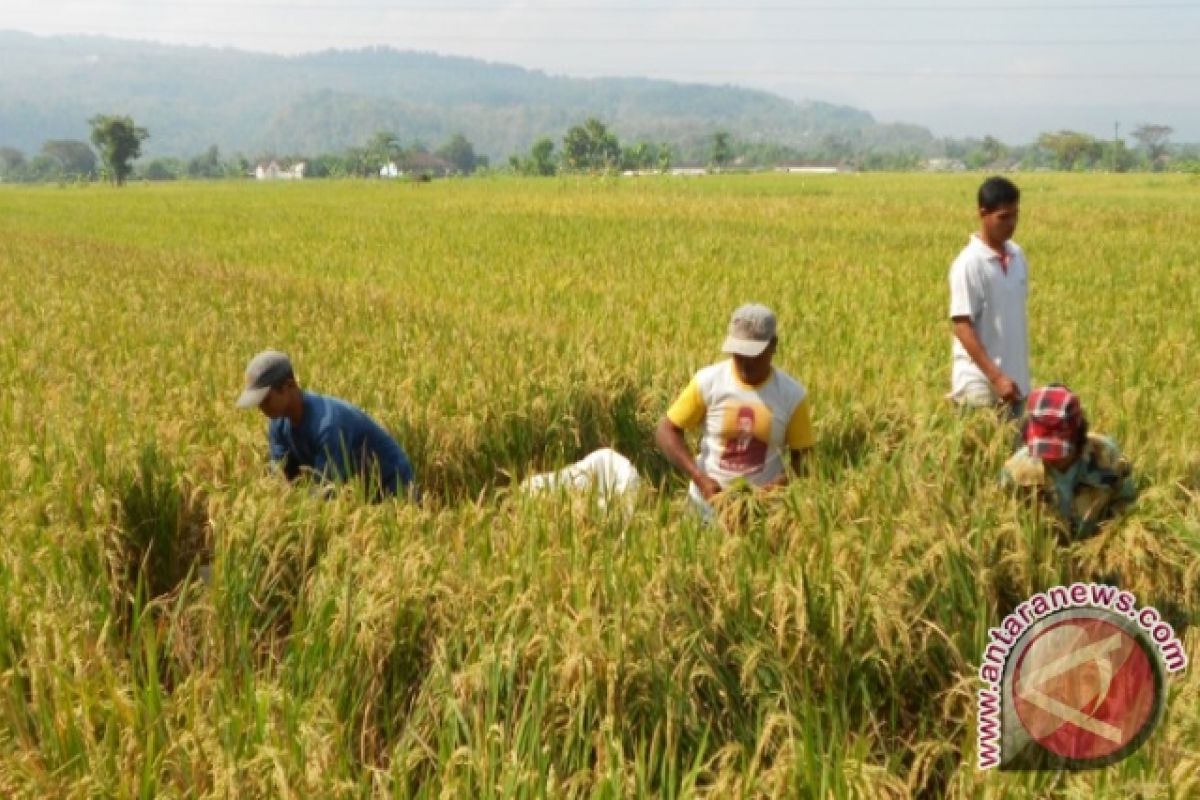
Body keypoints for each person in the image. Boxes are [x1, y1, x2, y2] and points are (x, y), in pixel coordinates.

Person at [655, 303, 814, 519]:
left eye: (754, 355)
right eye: (739, 354)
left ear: (773, 345)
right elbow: (667, 430)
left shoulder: (791, 395)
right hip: (706, 507)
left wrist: (772, 491)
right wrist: (699, 477)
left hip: (763, 513)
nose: (746, 363)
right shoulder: (708, 382)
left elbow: (803, 458)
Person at [235, 350, 415, 500]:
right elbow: (280, 472)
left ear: (289, 386)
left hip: (391, 485)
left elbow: (327, 490)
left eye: (265, 400)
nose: (261, 407)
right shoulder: (278, 423)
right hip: (354, 486)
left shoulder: (327, 425)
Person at [1001, 384, 1136, 537]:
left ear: (1078, 436)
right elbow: (1010, 524)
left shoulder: (1106, 457)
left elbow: (1126, 504)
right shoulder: (1016, 471)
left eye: (1059, 450)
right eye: (1043, 449)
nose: (1051, 458)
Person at [949, 175, 1030, 419]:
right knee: (983, 455)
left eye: (1016, 215)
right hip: (979, 390)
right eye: (1003, 217)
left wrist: (1011, 379)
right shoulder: (969, 263)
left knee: (1013, 455)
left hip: (1015, 386)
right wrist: (995, 376)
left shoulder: (1017, 256)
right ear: (983, 214)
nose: (1012, 223)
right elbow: (962, 327)